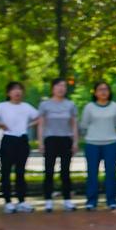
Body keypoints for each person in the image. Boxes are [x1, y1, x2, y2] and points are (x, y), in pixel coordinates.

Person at [0, 82, 40, 213]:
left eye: (20, 89)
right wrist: (0, 123)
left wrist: (29, 125)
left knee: (21, 172)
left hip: (22, 140)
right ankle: (8, 202)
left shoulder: (26, 107)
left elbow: (40, 118)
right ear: (8, 93)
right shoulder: (2, 106)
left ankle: (22, 201)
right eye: (14, 90)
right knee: (6, 171)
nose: (17, 92)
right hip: (8, 139)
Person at [37, 78, 79, 212]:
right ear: (53, 88)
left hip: (66, 139)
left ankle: (67, 200)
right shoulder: (45, 105)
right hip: (50, 139)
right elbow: (41, 125)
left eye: (63, 86)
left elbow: (74, 125)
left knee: (65, 171)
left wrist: (75, 141)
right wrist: (40, 142)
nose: (61, 88)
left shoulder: (70, 105)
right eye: (58, 86)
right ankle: (48, 201)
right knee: (49, 171)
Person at [81, 81, 116, 210]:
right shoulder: (89, 107)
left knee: (111, 173)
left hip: (111, 144)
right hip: (92, 144)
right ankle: (91, 201)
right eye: (100, 89)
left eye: (106, 89)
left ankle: (112, 201)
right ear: (95, 93)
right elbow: (84, 124)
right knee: (92, 173)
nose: (103, 92)